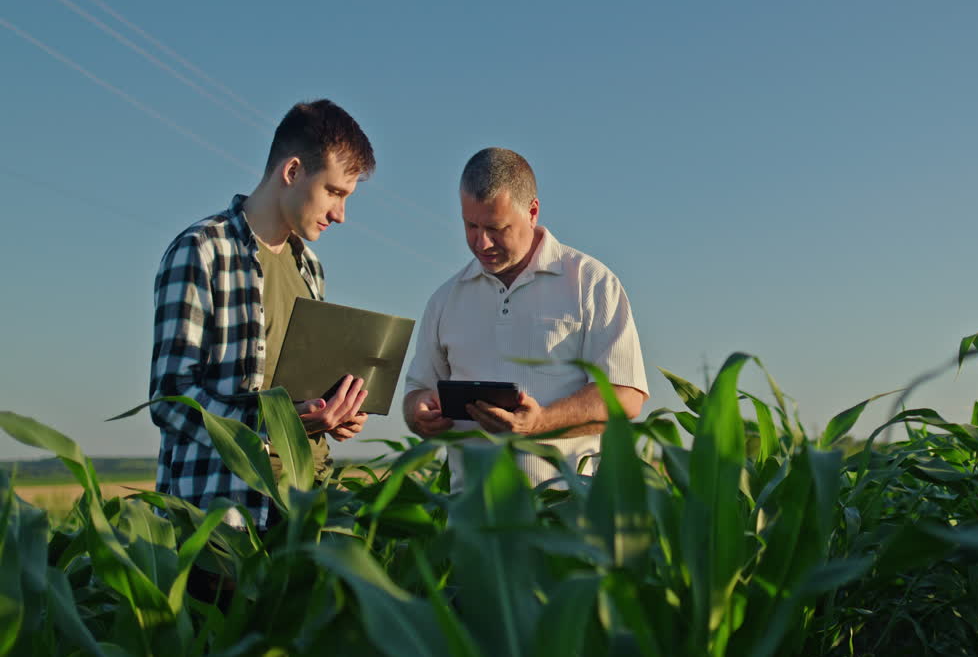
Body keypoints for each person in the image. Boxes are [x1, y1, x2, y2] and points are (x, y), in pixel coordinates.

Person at [150, 99, 376, 530]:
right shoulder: (201, 250)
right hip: (225, 517)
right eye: (334, 192)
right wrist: (278, 424)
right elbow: (170, 399)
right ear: (292, 172)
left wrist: (334, 414)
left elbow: (297, 390)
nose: (340, 215)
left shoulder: (310, 268)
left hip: (305, 508)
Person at [403, 147, 648, 486]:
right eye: (470, 225)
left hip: (566, 506)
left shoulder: (591, 283)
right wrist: (419, 413)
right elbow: (417, 391)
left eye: (496, 228)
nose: (481, 242)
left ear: (532, 212)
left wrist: (539, 422)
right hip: (469, 511)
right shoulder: (445, 299)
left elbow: (625, 396)